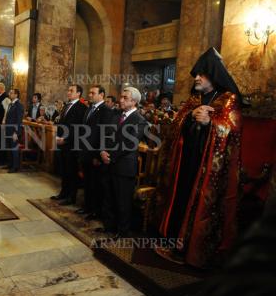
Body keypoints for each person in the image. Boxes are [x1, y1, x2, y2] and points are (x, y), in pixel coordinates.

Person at [156, 47, 243, 268]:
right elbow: (177, 123)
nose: (196, 78)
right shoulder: (194, 99)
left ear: (213, 76)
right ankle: (172, 240)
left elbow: (232, 130)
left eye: (201, 75)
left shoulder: (227, 99)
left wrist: (210, 123)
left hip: (208, 168)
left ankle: (191, 250)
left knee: (199, 205)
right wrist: (189, 119)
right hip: (186, 160)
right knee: (181, 198)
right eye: (196, 74)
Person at [96, 87, 148, 237]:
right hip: (108, 163)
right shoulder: (116, 115)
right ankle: (109, 226)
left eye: (125, 98)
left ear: (134, 102)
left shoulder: (140, 120)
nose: (121, 100)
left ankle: (122, 231)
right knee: (108, 198)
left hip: (124, 166)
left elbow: (129, 144)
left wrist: (110, 155)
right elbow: (104, 134)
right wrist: (101, 151)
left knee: (122, 202)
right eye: (122, 97)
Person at [77, 85, 113, 220]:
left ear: (102, 95)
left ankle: (95, 210)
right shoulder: (89, 109)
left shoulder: (106, 110)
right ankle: (87, 206)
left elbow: (104, 134)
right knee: (87, 181)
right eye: (90, 92)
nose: (90, 95)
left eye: (93, 93)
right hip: (85, 151)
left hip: (95, 154)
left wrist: (98, 154)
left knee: (96, 184)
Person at [50, 85, 87, 206]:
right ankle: (63, 193)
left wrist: (65, 139)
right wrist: (57, 136)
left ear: (79, 93)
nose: (69, 92)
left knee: (71, 172)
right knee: (64, 170)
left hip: (71, 145)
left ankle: (71, 197)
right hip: (62, 143)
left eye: (72, 91)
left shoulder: (81, 107)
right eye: (68, 90)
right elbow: (62, 123)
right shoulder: (67, 105)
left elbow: (77, 128)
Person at [4, 88, 24, 173]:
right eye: (10, 93)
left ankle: (15, 166)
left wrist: (16, 132)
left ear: (16, 95)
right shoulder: (10, 104)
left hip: (13, 131)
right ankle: (10, 164)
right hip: (8, 129)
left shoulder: (18, 105)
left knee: (14, 149)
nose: (10, 94)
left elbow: (19, 120)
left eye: (11, 93)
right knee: (9, 148)